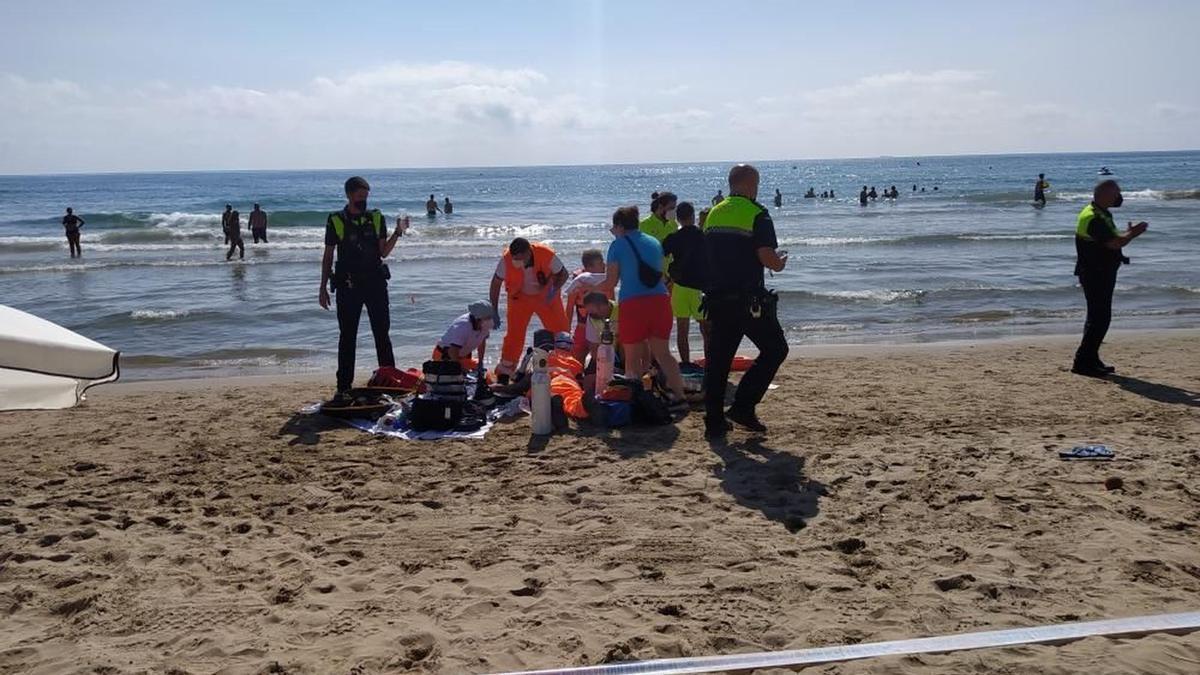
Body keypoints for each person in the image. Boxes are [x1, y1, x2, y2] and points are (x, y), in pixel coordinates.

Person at [701, 164, 788, 440]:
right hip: (748, 301)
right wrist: (780, 263)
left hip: (717, 299)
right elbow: (766, 256)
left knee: (718, 361)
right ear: (752, 184)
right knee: (775, 349)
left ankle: (714, 421)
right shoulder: (757, 213)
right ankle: (742, 406)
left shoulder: (714, 213)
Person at [318, 176, 409, 401]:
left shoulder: (376, 217)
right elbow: (328, 255)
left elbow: (383, 252)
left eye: (366, 196)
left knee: (382, 333)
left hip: (375, 284)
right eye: (360, 196)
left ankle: (389, 381)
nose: (364, 200)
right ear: (349, 195)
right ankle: (343, 386)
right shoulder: (336, 220)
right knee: (347, 336)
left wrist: (398, 232)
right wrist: (322, 288)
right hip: (348, 285)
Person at [597, 205, 687, 412]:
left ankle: (635, 401)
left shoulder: (617, 246)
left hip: (633, 303)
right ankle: (680, 398)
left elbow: (610, 282)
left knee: (632, 356)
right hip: (660, 301)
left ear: (619, 226)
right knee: (664, 354)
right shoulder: (653, 242)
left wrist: (587, 284)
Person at [1072, 180, 1148, 377]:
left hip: (1101, 271)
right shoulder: (1093, 217)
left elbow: (1110, 239)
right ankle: (1083, 361)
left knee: (1097, 317)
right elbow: (1114, 243)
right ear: (1106, 195)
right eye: (1117, 194)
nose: (1119, 197)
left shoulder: (1101, 213)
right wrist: (1133, 233)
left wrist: (1127, 234)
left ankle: (1091, 358)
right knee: (1099, 317)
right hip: (1095, 273)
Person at [489, 237, 570, 381]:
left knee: (561, 332)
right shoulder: (506, 260)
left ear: (528, 252)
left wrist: (554, 290)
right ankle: (505, 370)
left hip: (546, 297)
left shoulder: (545, 254)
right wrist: (493, 309)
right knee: (514, 335)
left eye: (520, 258)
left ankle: (566, 367)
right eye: (515, 258)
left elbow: (564, 274)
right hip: (519, 298)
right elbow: (495, 283)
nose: (517, 262)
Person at [661, 201, 708, 365]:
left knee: (682, 330)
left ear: (678, 218)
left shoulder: (674, 237)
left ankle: (686, 363)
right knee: (706, 329)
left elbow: (659, 254)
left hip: (679, 287)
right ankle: (710, 363)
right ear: (693, 216)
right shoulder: (703, 235)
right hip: (700, 288)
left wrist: (665, 277)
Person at [563, 249, 609, 362]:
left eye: (603, 261)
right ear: (589, 268)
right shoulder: (578, 281)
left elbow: (611, 304)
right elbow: (569, 308)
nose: (604, 265)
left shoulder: (607, 281)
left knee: (602, 360)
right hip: (582, 328)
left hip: (601, 328)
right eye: (600, 263)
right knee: (575, 362)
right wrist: (566, 331)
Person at [434, 301, 495, 371]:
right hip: (445, 356)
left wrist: (481, 362)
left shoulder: (485, 324)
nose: (490, 320)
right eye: (487, 318)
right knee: (454, 378)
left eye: (490, 317)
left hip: (463, 356)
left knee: (483, 372)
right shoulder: (463, 326)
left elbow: (482, 342)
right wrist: (459, 369)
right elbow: (452, 351)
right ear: (477, 319)